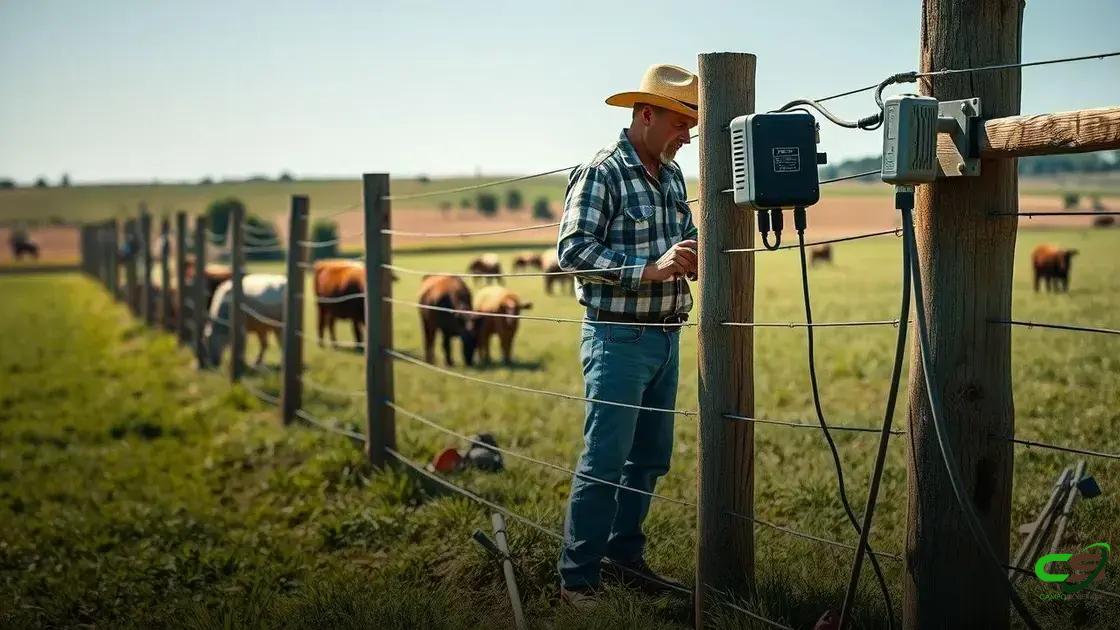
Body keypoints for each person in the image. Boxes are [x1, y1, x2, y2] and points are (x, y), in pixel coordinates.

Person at [555, 63, 699, 608]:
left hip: (666, 337)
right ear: (645, 114)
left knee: (650, 458)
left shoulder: (673, 175)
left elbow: (680, 237)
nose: (687, 136)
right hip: (617, 338)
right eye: (680, 123)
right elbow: (571, 251)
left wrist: (691, 254)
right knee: (606, 459)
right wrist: (648, 267)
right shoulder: (603, 171)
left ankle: (623, 556)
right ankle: (578, 579)